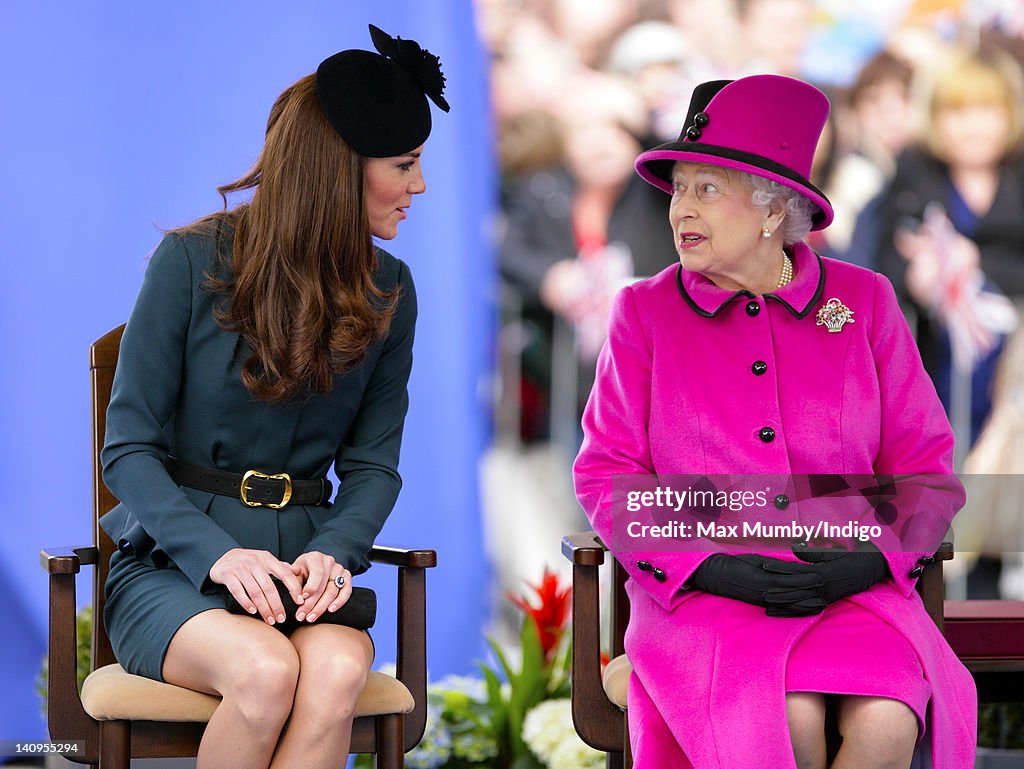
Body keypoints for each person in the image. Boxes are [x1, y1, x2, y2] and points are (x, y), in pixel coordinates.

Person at [573, 75, 976, 768]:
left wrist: (869, 558)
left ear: (770, 209)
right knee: (786, 715)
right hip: (707, 596)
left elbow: (926, 469)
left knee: (885, 722)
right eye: (679, 188)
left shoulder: (865, 302)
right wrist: (714, 565)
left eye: (707, 188)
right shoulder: (645, 312)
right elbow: (606, 475)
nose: (680, 210)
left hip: (852, 590)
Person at [98, 24, 448, 769]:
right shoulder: (189, 261)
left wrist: (334, 552)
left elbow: (374, 465)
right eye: (406, 164)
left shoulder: (393, 290)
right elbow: (127, 450)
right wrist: (219, 558)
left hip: (302, 581)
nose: (418, 186)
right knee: (265, 672)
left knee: (338, 669)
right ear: (340, 169)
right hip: (173, 568)